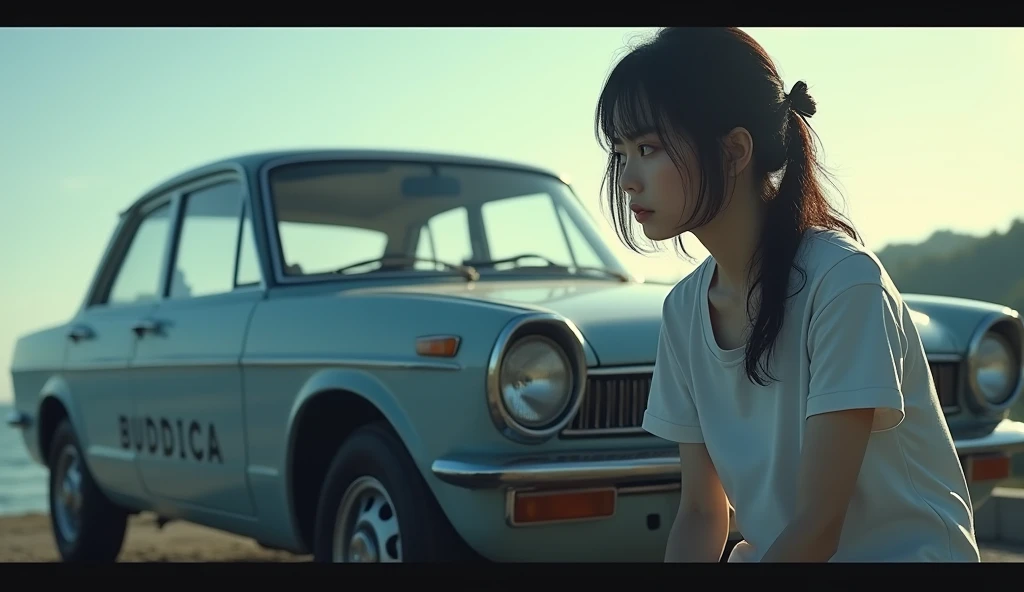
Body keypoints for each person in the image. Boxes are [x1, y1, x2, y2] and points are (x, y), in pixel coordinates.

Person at [595, 27, 980, 562]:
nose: (628, 177)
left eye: (648, 147)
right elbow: (703, 514)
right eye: (620, 151)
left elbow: (818, 528)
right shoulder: (683, 309)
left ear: (733, 151)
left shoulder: (844, 283)